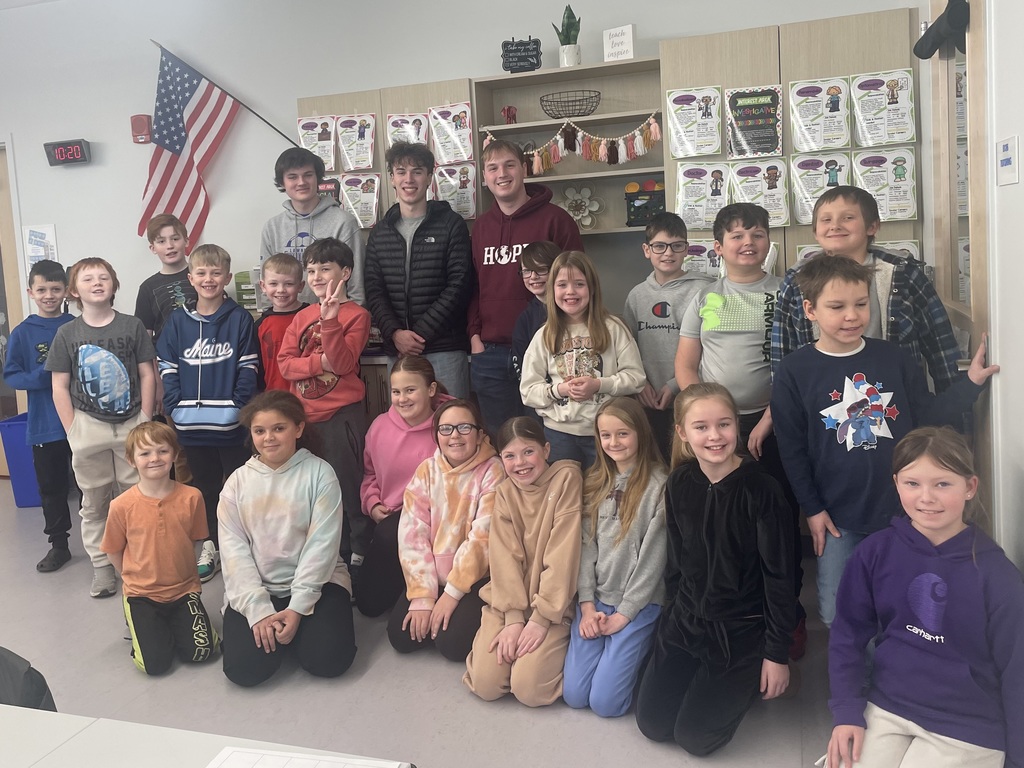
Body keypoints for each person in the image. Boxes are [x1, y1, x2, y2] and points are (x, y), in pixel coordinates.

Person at [771, 255, 998, 627]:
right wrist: (811, 509)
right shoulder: (794, 371)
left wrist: (971, 383)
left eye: (861, 304)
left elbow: (928, 415)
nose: (852, 315)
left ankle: (898, 674)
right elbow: (792, 449)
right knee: (837, 613)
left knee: (906, 606)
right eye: (837, 306)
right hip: (837, 517)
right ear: (810, 310)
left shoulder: (892, 357)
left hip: (902, 510)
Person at [826, 427, 1023, 768]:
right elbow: (847, 634)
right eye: (912, 483)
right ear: (896, 483)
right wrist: (846, 712)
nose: (926, 497)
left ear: (969, 487)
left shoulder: (997, 574)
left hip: (968, 724)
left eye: (942, 484)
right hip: (889, 705)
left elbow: (1017, 670)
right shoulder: (875, 552)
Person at [675, 202, 807, 659]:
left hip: (777, 420)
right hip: (718, 428)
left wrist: (770, 417)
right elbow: (686, 365)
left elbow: (799, 365)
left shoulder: (788, 292)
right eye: (736, 235)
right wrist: (704, 421)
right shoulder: (705, 298)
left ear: (768, 240)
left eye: (756, 233)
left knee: (780, 523)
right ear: (718, 247)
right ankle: (731, 610)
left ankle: (788, 619)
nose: (747, 242)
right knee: (724, 523)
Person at [635, 382, 794, 756]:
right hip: (686, 623)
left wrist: (776, 653)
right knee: (653, 725)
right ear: (682, 433)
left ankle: (742, 682)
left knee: (695, 739)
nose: (714, 436)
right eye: (701, 427)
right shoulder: (679, 483)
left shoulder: (762, 489)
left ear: (736, 425)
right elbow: (675, 562)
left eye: (723, 424)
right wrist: (671, 621)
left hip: (740, 631)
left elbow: (781, 577)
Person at [219, 390, 357, 687]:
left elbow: (322, 545)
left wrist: (297, 608)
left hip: (318, 583)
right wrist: (257, 610)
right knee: (244, 671)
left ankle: (302, 631)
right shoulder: (237, 483)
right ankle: (286, 632)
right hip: (260, 588)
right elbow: (233, 553)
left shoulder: (320, 474)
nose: (269, 437)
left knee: (329, 662)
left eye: (278, 428)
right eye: (260, 431)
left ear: (298, 428)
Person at [771, 185, 961, 393]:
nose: (835, 226)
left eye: (847, 218)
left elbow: (940, 345)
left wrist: (955, 410)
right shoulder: (797, 281)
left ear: (872, 227)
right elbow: (782, 351)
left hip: (895, 397)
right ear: (816, 231)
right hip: (822, 400)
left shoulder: (903, 273)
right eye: (826, 220)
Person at [46, 258, 156, 598]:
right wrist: (73, 429)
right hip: (88, 427)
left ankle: (137, 562)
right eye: (88, 278)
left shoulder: (132, 325)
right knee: (94, 502)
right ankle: (102, 567)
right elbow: (59, 386)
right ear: (74, 290)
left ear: (114, 284)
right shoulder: (67, 333)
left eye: (103, 277)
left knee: (136, 498)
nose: (97, 283)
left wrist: (146, 420)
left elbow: (147, 374)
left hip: (132, 426)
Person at [156, 244, 259, 583]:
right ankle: (213, 546)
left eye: (216, 273)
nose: (209, 279)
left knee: (237, 491)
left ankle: (245, 549)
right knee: (205, 490)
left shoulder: (240, 319)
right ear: (190, 278)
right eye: (201, 273)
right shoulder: (177, 321)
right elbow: (167, 367)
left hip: (231, 427)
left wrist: (236, 408)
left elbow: (248, 368)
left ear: (227, 277)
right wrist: (174, 407)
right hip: (191, 427)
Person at [463, 417, 582, 707]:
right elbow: (504, 558)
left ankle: (558, 655)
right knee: (485, 685)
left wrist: (540, 620)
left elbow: (562, 554)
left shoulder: (567, 479)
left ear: (547, 450)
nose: (521, 463)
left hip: (552, 606)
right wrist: (514, 619)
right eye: (510, 456)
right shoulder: (505, 492)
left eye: (529, 451)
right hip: (509, 601)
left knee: (529, 690)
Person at [468, 139, 583, 435]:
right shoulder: (481, 227)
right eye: (492, 168)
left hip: (548, 350)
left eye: (509, 165)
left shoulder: (556, 220)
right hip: (491, 354)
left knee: (550, 438)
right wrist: (475, 337)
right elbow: (472, 287)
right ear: (484, 177)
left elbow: (578, 284)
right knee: (502, 440)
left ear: (524, 169)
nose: (501, 174)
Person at [563, 397, 668, 717]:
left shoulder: (660, 484)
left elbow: (654, 557)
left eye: (622, 433)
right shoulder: (593, 481)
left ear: (641, 433)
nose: (613, 442)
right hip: (595, 601)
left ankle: (638, 654)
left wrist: (625, 613)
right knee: (575, 696)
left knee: (606, 705)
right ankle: (611, 654)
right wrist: (586, 603)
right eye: (605, 435)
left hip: (638, 603)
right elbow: (585, 547)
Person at [278, 238, 371, 578]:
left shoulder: (356, 315)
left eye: (325, 269)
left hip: (341, 417)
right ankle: (328, 554)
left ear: (345, 273)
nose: (316, 277)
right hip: (305, 421)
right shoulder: (301, 315)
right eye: (312, 270)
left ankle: (359, 551)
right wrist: (321, 362)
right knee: (313, 492)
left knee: (348, 485)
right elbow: (286, 365)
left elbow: (344, 364)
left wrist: (330, 321)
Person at [100, 421, 218, 675]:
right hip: (141, 595)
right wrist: (133, 577)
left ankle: (172, 625)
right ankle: (144, 627)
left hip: (184, 589)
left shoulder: (192, 497)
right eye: (145, 453)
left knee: (203, 652)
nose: (155, 458)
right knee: (154, 665)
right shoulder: (121, 505)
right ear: (132, 460)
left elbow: (195, 539)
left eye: (162, 451)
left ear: (174, 455)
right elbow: (113, 550)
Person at [390, 399, 504, 661]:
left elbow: (482, 539)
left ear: (479, 433)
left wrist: (451, 595)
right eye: (446, 429)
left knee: (451, 645)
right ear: (436, 434)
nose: (455, 436)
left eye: (464, 427)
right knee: (401, 637)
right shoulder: (427, 470)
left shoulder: (493, 470)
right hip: (433, 574)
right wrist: (422, 597)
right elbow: (412, 535)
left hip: (473, 578)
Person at [364, 141, 474, 398]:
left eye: (417, 171)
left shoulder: (451, 224)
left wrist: (420, 334)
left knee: (453, 425)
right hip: (399, 351)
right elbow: (373, 288)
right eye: (401, 171)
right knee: (407, 428)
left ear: (429, 177)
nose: (409, 179)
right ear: (392, 178)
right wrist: (395, 334)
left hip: (445, 349)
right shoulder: (380, 232)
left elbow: (459, 285)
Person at [520, 251, 645, 469]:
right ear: (552, 290)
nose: (570, 292)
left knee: (606, 496)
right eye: (562, 285)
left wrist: (599, 384)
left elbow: (636, 378)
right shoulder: (544, 335)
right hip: (559, 434)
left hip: (606, 434)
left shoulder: (613, 328)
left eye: (579, 284)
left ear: (593, 288)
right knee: (567, 496)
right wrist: (560, 390)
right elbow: (528, 391)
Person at [356, 356, 452, 618]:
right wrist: (373, 503)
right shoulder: (379, 427)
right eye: (396, 391)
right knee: (368, 606)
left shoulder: (449, 427)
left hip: (439, 524)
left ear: (431, 390)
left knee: (390, 531)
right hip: (391, 523)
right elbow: (370, 474)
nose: (402, 399)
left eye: (410, 390)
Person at [3, 259, 74, 572]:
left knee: (93, 487)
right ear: (31, 291)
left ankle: (106, 544)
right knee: (52, 488)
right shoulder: (22, 333)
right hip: (45, 425)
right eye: (42, 289)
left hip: (81, 422)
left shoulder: (76, 326)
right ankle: (59, 546)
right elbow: (12, 375)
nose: (49, 295)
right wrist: (48, 375)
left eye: (55, 289)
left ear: (66, 292)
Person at [623, 212, 712, 459]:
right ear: (646, 250)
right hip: (648, 399)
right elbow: (627, 348)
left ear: (687, 249)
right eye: (659, 246)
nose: (668, 253)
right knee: (656, 465)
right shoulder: (637, 295)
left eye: (676, 246)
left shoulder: (705, 290)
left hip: (691, 397)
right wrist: (641, 384)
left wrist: (674, 385)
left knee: (691, 463)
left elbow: (711, 348)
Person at [134, 213, 198, 484]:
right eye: (161, 241)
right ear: (153, 248)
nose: (169, 245)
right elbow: (145, 341)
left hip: (206, 365)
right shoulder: (148, 288)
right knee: (179, 445)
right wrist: (157, 380)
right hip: (171, 374)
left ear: (186, 240)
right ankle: (187, 507)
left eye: (175, 238)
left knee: (211, 441)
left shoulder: (201, 274)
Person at [260, 146, 365, 305]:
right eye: (293, 177)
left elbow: (356, 283)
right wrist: (269, 316)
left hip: (334, 318)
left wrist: (352, 319)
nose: (301, 182)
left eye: (308, 175)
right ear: (283, 181)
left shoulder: (343, 222)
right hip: (287, 320)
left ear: (318, 178)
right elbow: (267, 282)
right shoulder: (272, 227)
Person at [255, 252, 308, 392]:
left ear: (301, 286)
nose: (281, 290)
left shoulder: (312, 316)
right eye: (273, 283)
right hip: (273, 397)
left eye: (289, 284)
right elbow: (257, 368)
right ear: (263, 286)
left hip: (310, 397)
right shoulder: (259, 325)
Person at [510, 240, 560, 384]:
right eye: (527, 271)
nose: (533, 276)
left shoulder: (573, 309)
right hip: (542, 400)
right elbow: (522, 366)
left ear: (556, 269)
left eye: (540, 269)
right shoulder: (525, 319)